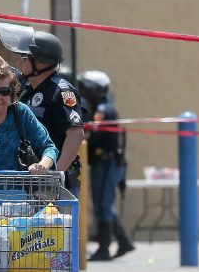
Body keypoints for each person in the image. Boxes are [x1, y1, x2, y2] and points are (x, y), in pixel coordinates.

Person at [0, 6, 85, 197]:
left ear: (40, 62)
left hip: (54, 183)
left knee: (54, 227)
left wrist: (54, 175)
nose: (18, 62)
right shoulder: (26, 83)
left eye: (24, 58)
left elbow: (75, 135)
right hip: (29, 180)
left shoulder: (61, 91)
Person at [79, 70, 135, 261]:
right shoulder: (101, 107)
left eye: (86, 88)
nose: (83, 91)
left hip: (107, 163)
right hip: (105, 163)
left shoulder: (102, 109)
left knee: (103, 204)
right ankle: (124, 241)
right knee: (104, 205)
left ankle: (104, 248)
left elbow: (91, 135)